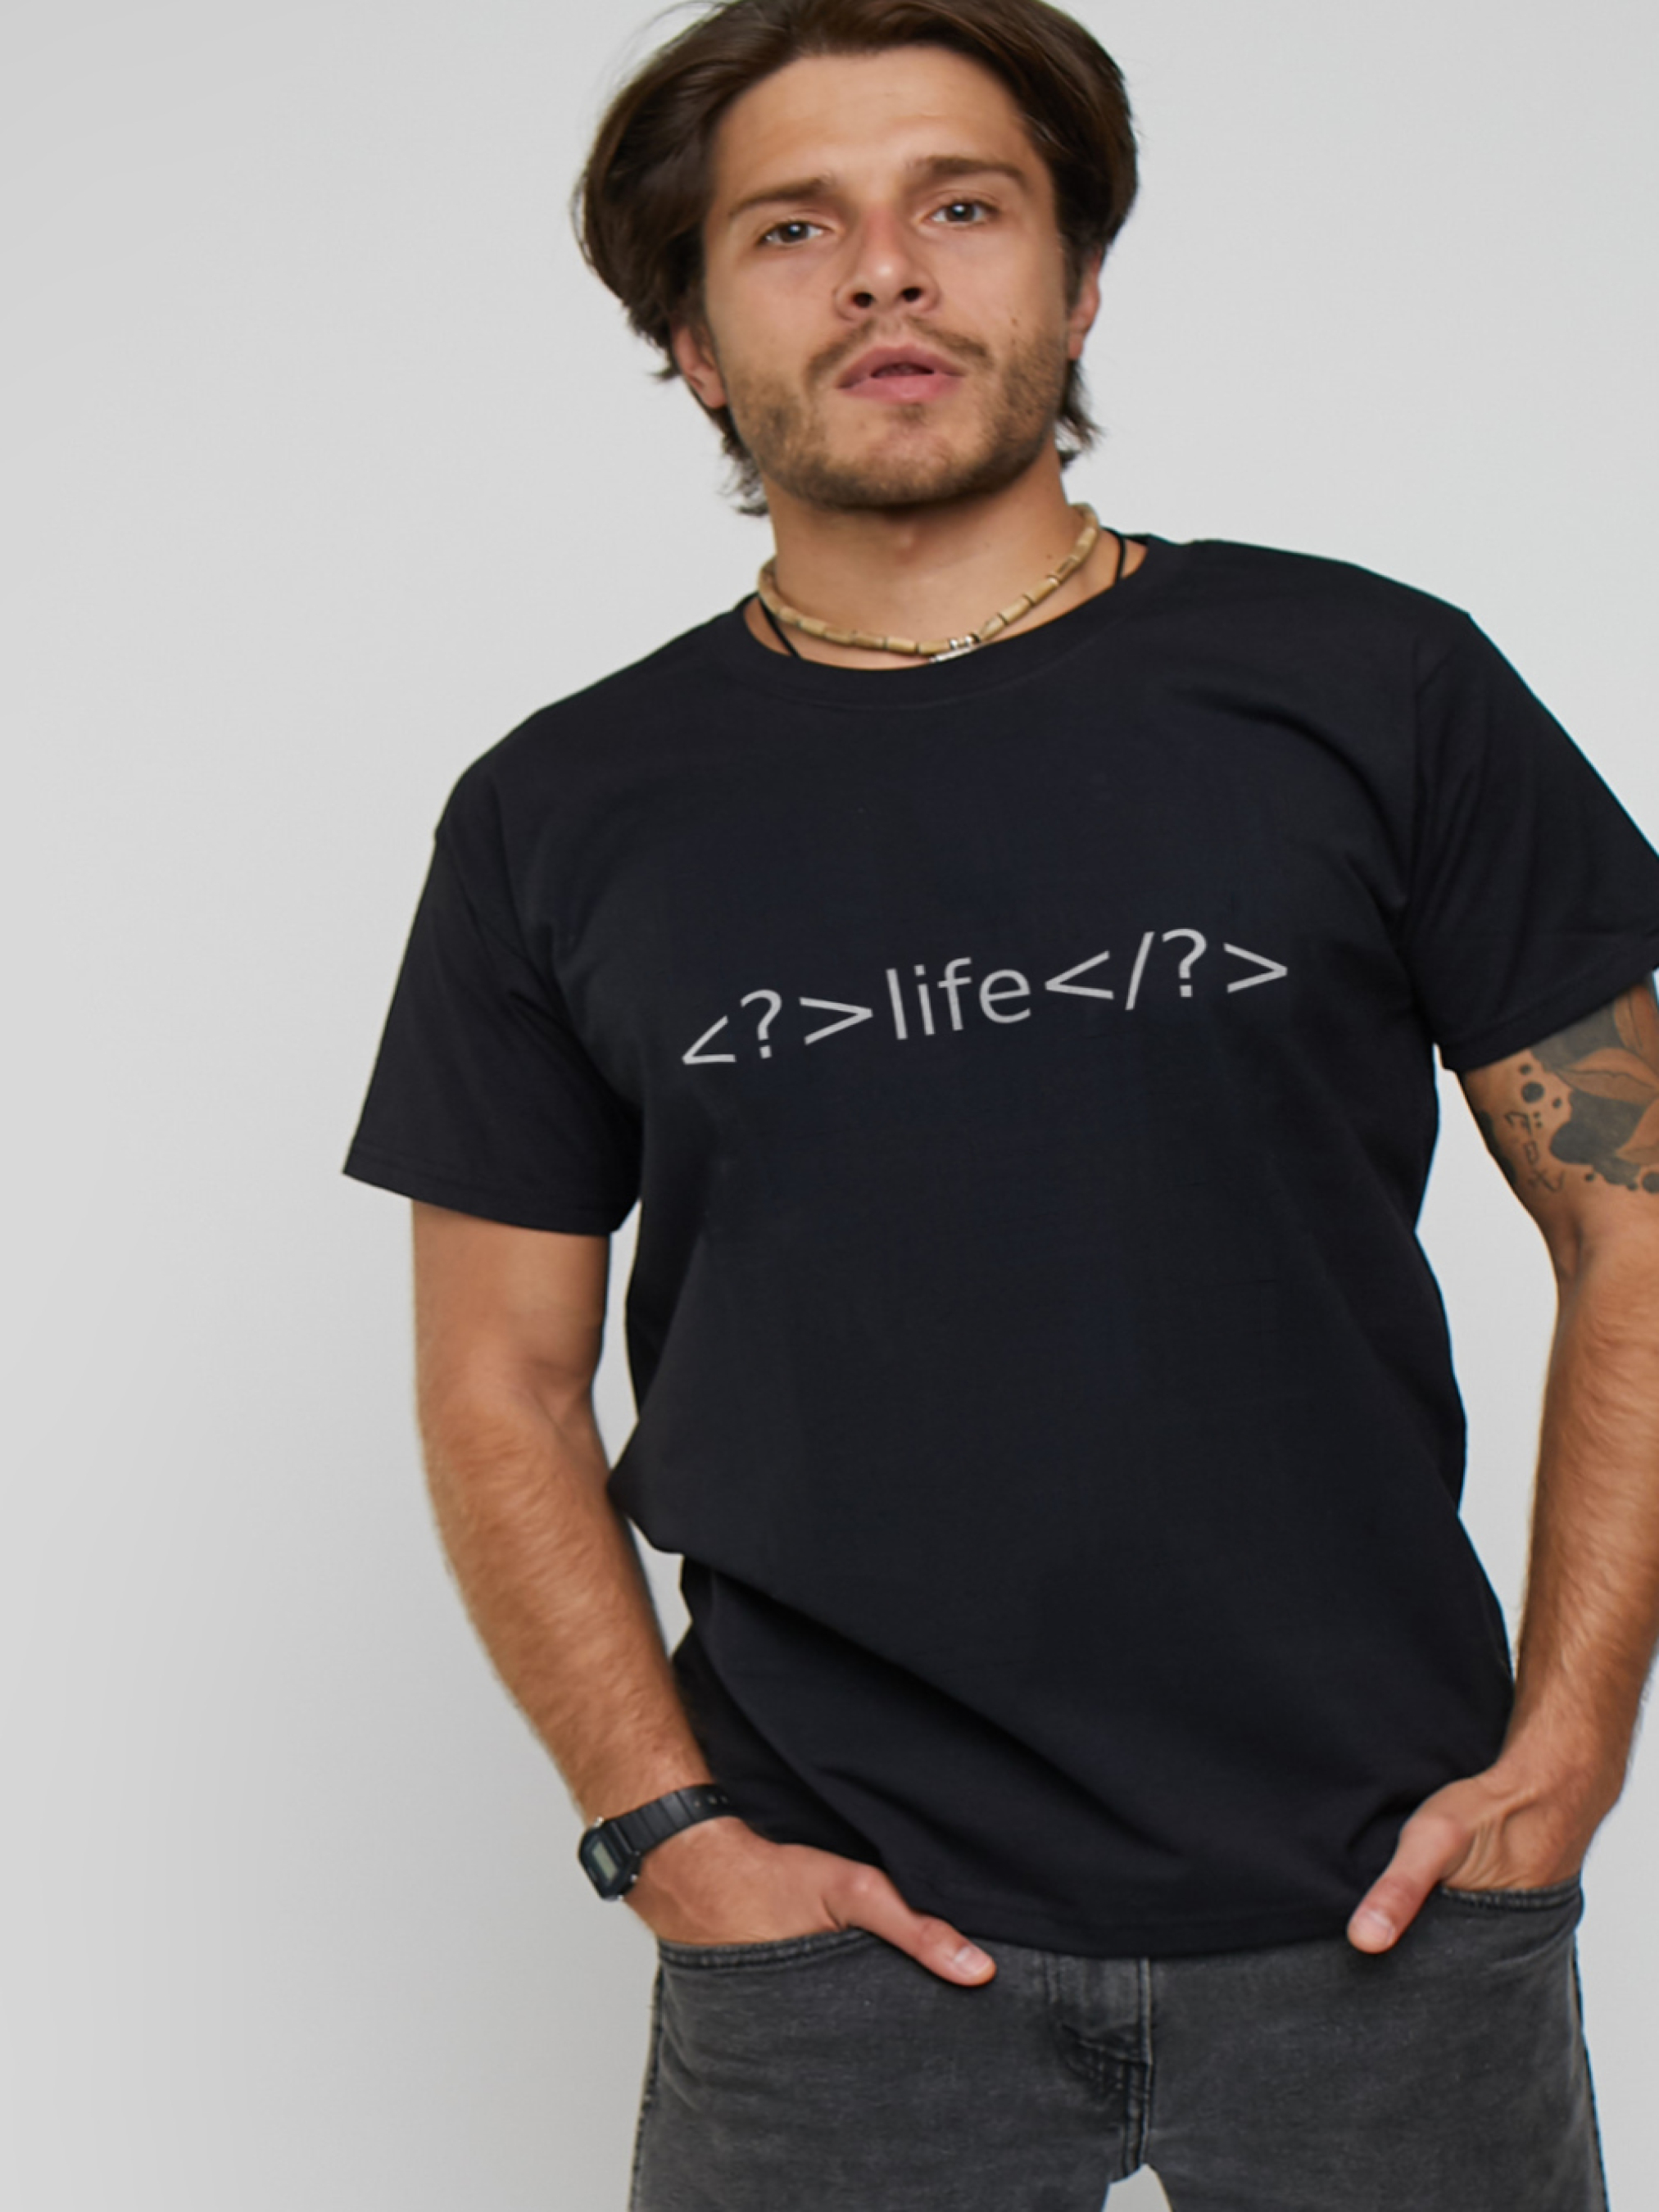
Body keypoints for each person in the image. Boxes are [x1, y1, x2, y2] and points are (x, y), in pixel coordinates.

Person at [342, 2, 1659, 2204]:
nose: (885, 270)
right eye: (792, 226)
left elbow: (1637, 1209)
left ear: (1076, 277)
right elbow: (497, 1377)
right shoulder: (559, 813)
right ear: (693, 338)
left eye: (960, 206)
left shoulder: (1370, 687)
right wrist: (666, 1833)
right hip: (832, 1953)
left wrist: (1570, 1749)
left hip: (1386, 1907)